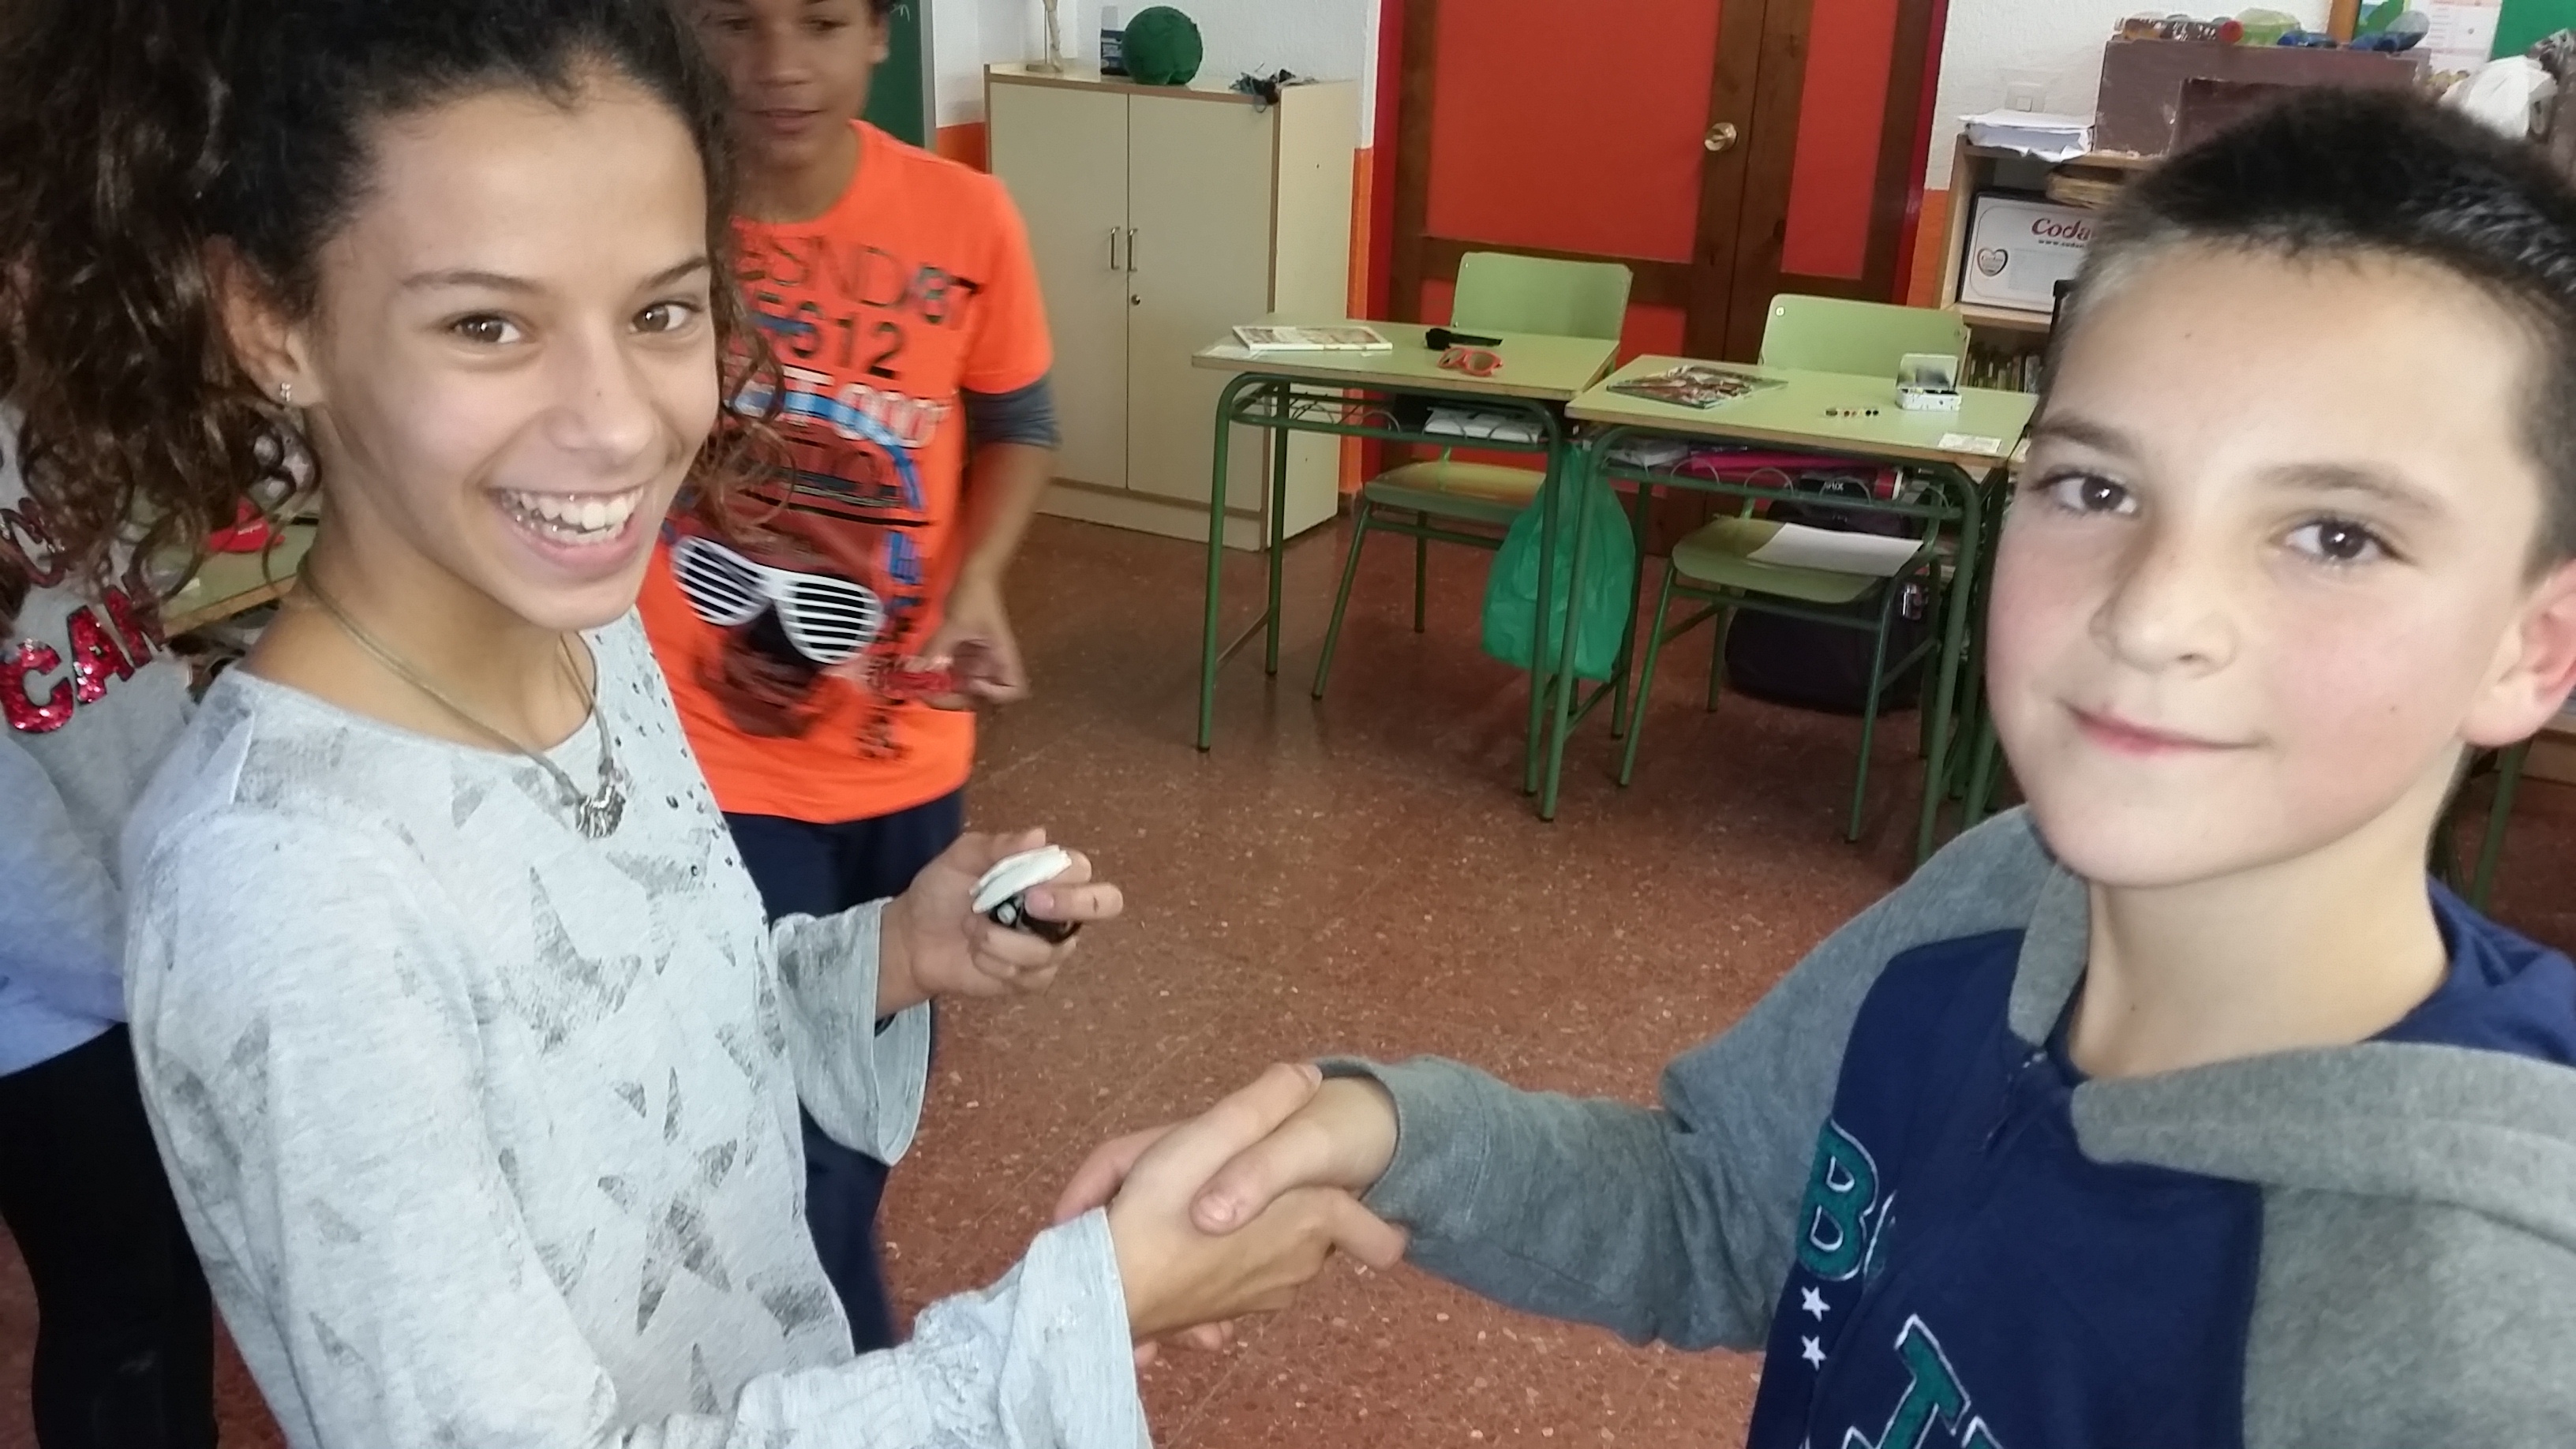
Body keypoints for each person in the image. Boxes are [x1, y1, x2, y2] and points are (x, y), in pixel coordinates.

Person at [1061, 91, 2576, 1444]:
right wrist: (1382, 1131)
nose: (2155, 612)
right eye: (2095, 487)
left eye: (2337, 536)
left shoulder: (2476, 1333)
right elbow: (1723, 1208)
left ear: (2535, 646)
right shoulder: (2000, 894)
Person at [0, 2, 1398, 1444]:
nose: (618, 425)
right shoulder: (288, 895)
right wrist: (1081, 1322)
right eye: (488, 324)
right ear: (271, 322)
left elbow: (651, 1049)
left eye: (662, 311)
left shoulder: (593, 638)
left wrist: (885, 954)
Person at [635, 0, 1059, 1351]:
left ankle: (811, 1342)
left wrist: (977, 576)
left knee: (859, 1113)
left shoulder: (966, 219)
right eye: (736, 21)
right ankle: (837, 1364)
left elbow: (1020, 421)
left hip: (903, 758)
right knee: (771, 1118)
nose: (778, 65)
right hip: (708, 762)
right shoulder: (646, 204)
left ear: (881, 31)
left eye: (820, 20)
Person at [0, 410, 214, 1447]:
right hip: (46, 1009)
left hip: (153, 949)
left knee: (179, 1273)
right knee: (116, 1301)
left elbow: (137, 661)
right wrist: (145, 972)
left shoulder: (32, 425)